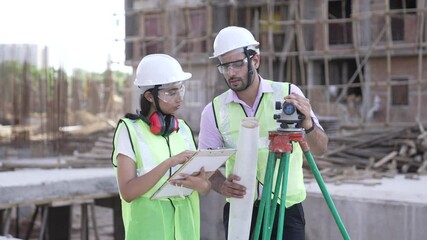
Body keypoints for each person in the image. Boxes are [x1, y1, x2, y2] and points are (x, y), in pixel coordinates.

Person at [198, 26, 329, 239]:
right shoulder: (213, 111)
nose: (231, 73)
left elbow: (320, 148)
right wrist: (222, 186)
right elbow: (205, 165)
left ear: (255, 61)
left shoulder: (288, 94)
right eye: (224, 67)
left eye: (237, 64)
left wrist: (308, 124)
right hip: (241, 213)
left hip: (286, 211)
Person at [112, 53, 210, 240]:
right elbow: (128, 192)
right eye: (171, 93)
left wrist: (202, 184)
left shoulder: (183, 130)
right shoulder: (129, 131)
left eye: (181, 90)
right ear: (150, 96)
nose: (179, 98)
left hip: (186, 233)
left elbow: (204, 189)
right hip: (149, 232)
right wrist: (168, 163)